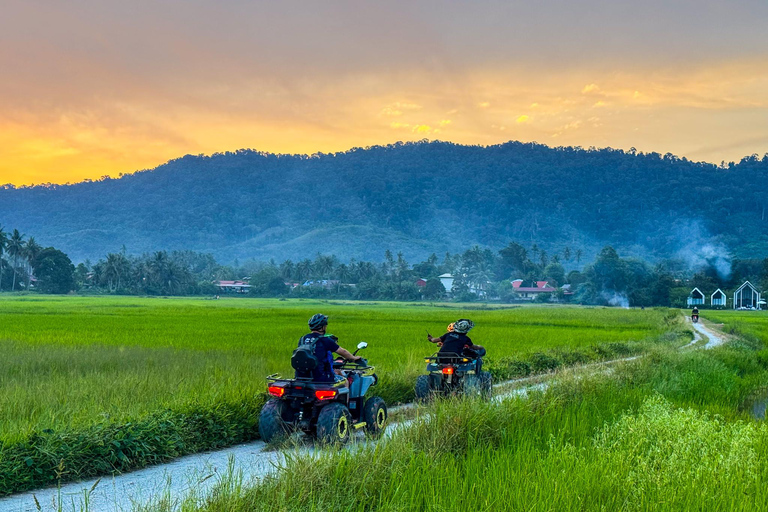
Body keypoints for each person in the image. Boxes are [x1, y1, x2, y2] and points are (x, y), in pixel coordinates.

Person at [297, 314, 361, 383]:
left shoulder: (303, 339)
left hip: (301, 376)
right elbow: (343, 351)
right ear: (323, 327)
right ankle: (347, 394)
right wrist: (353, 358)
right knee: (344, 381)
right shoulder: (325, 340)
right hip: (321, 377)